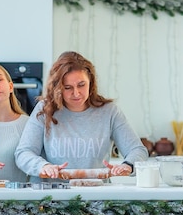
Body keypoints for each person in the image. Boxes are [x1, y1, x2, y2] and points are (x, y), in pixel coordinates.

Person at [15, 51, 148, 180]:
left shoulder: (109, 111)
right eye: (68, 88)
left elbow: (137, 150)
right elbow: (23, 153)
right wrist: (43, 166)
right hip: (52, 196)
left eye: (81, 85)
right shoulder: (44, 110)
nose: (76, 93)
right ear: (57, 87)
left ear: (91, 82)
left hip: (95, 197)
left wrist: (128, 165)